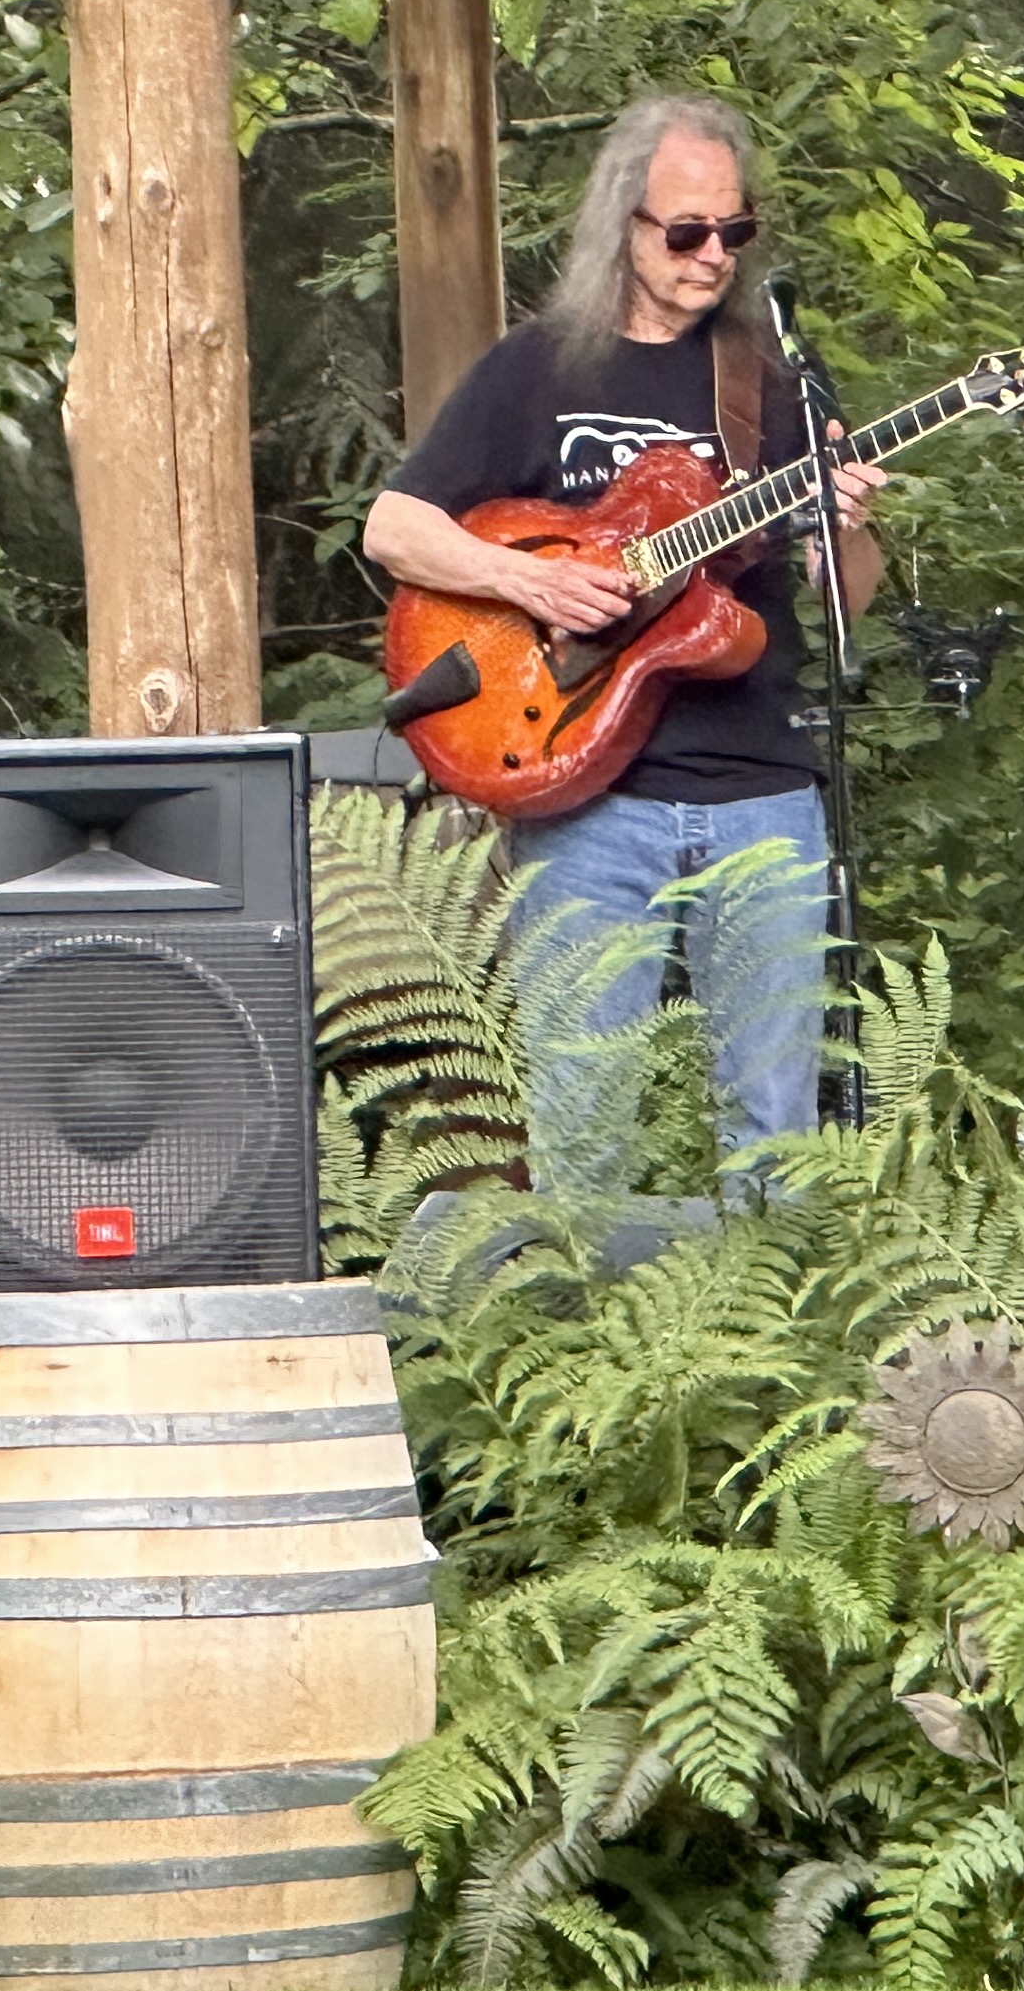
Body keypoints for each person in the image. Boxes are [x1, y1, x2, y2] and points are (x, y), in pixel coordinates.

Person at [364, 90, 889, 1190]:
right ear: (624, 224)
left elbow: (848, 601)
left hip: (762, 790)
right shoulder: (539, 368)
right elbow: (395, 528)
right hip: (584, 793)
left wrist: (848, 523)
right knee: (585, 1116)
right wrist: (530, 581)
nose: (714, 256)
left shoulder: (771, 386)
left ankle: (770, 1302)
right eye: (687, 232)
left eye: (734, 231)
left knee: (776, 1126)